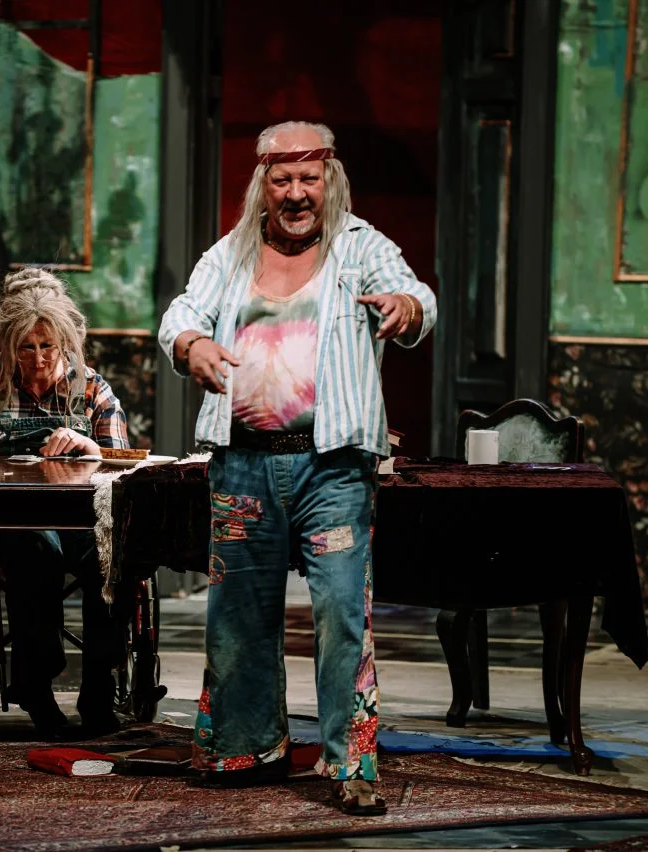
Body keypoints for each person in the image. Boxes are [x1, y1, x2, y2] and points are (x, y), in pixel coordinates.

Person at [158, 121, 437, 815]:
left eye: (308, 179)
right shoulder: (230, 254)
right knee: (237, 616)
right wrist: (191, 344)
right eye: (281, 180)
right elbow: (180, 314)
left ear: (329, 180)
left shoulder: (361, 246)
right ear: (263, 184)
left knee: (342, 613)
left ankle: (350, 764)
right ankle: (245, 749)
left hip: (331, 469)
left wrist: (404, 307)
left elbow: (418, 297)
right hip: (244, 467)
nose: (295, 193)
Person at [0, 267, 130, 737]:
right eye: (25, 348)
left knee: (112, 558)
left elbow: (123, 464)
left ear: (66, 342)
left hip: (80, 522)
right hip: (12, 524)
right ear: (7, 344)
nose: (38, 359)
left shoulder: (90, 388)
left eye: (48, 347)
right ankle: (36, 686)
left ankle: (98, 688)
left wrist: (90, 447)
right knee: (35, 551)